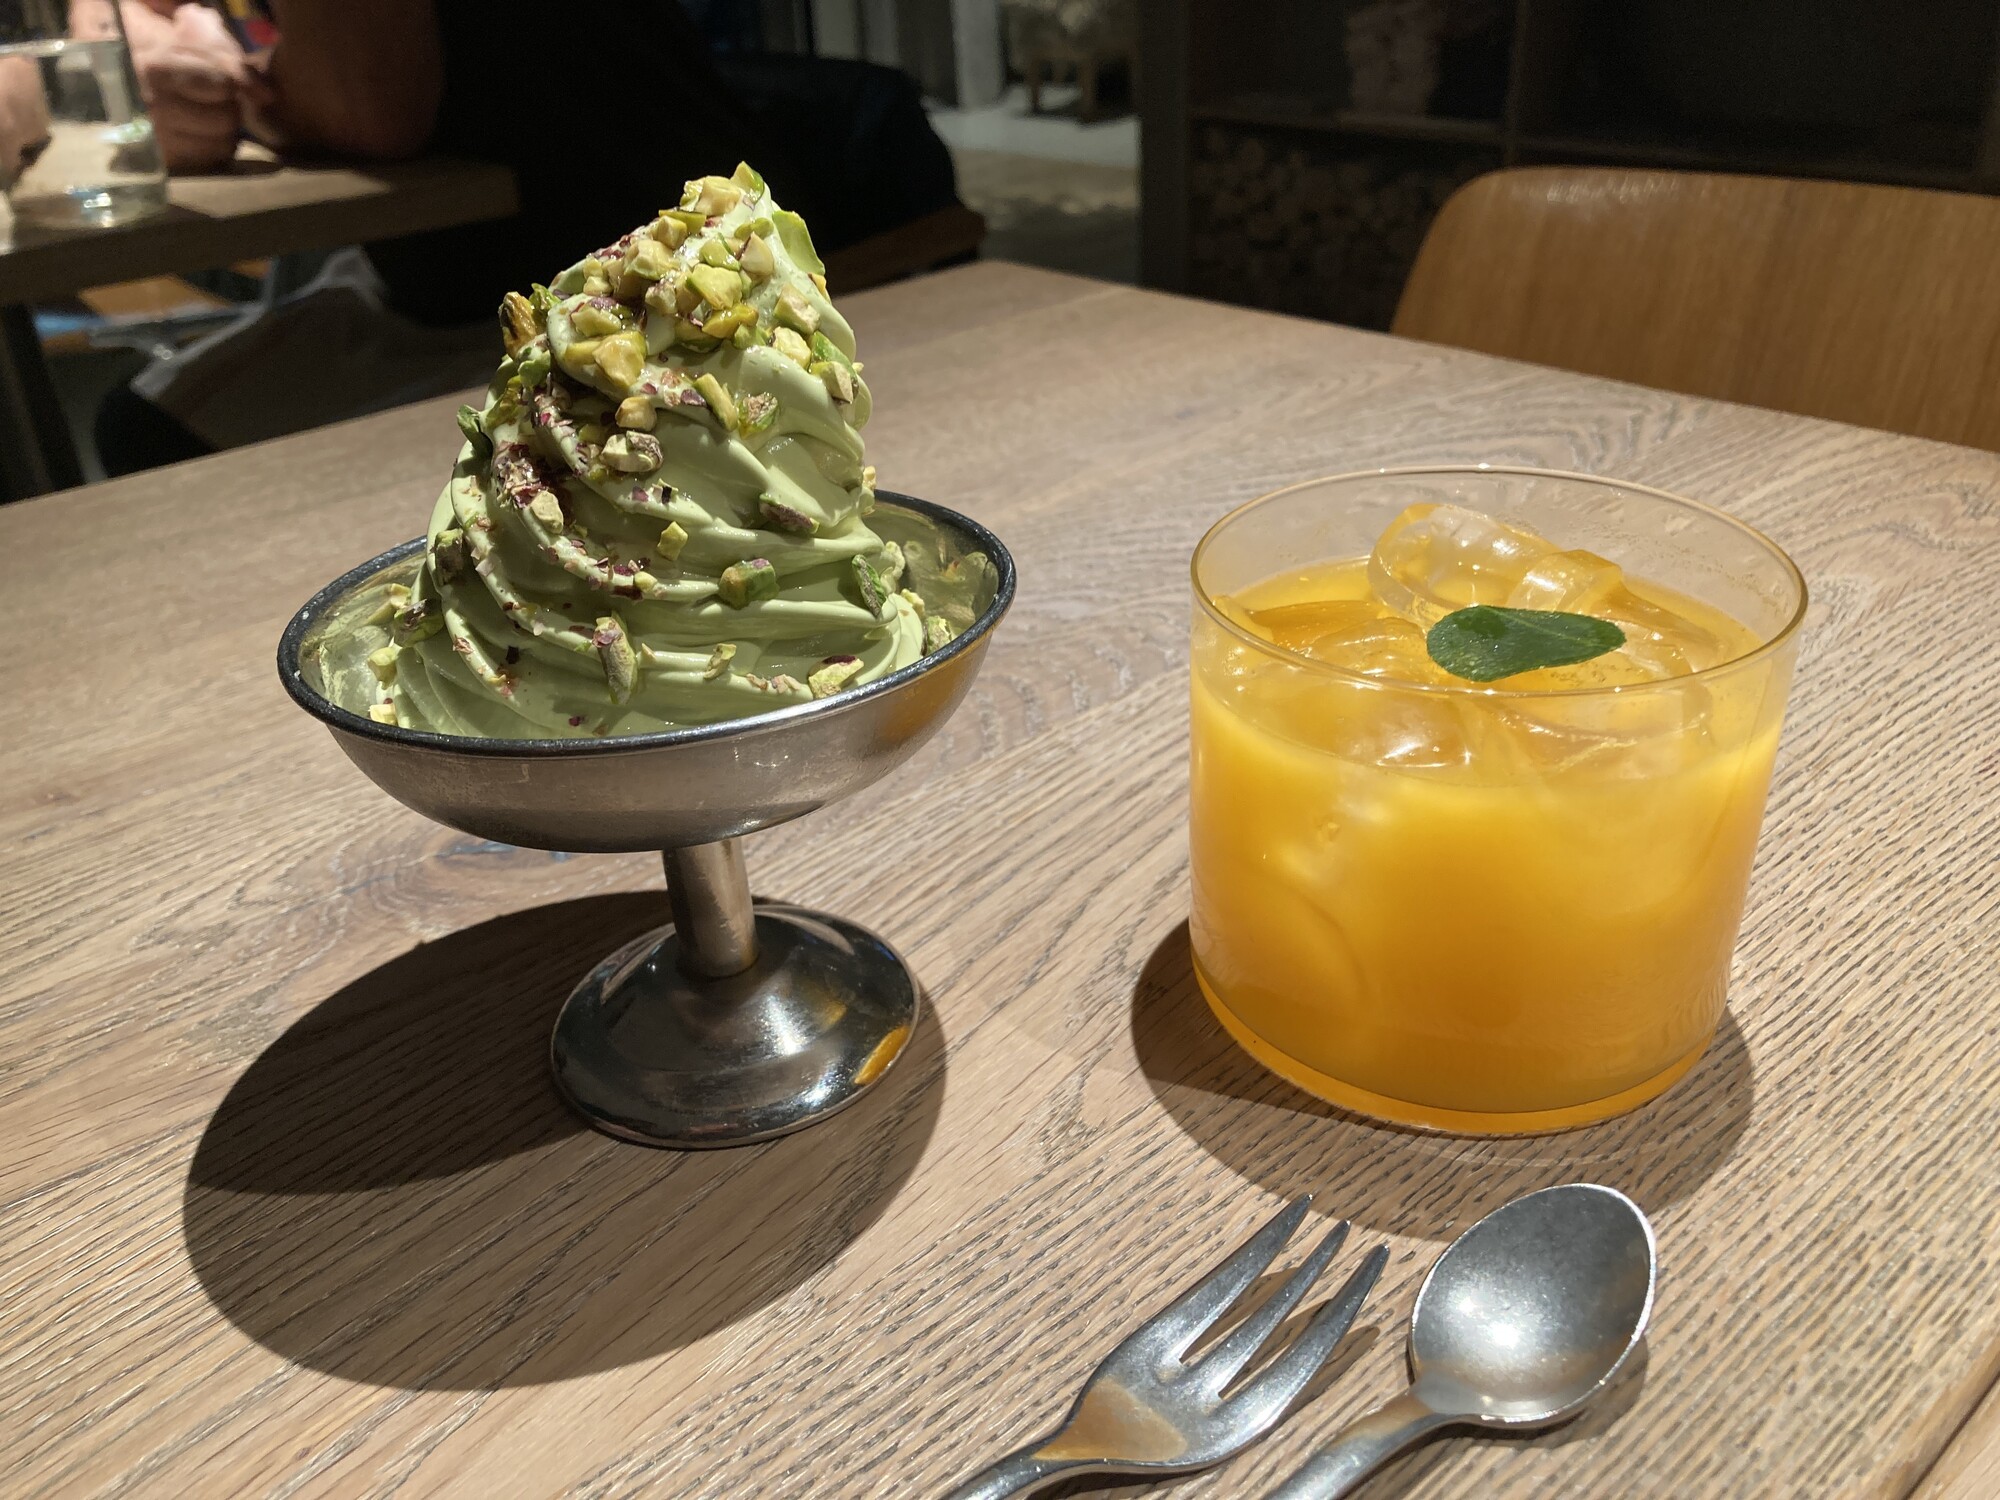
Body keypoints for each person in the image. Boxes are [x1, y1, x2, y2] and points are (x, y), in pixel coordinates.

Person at [94, 0, 961, 474]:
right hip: (485, 277)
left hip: (585, 275)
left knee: (145, 426)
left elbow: (369, 108)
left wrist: (246, 85)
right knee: (143, 420)